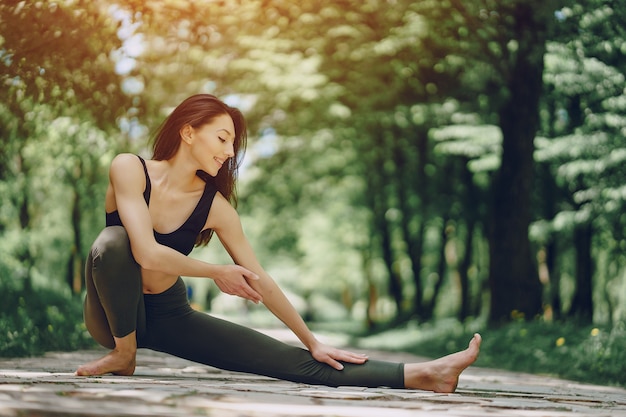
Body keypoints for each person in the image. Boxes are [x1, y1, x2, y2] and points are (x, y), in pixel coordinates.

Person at [76, 94, 481, 392]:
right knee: (114, 242)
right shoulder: (130, 168)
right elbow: (144, 252)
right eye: (221, 138)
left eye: (231, 143)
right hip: (111, 318)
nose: (229, 151)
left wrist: (313, 341)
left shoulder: (216, 208)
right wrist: (217, 272)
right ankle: (124, 354)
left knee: (292, 361)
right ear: (187, 131)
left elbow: (258, 279)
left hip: (168, 314)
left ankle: (425, 375)